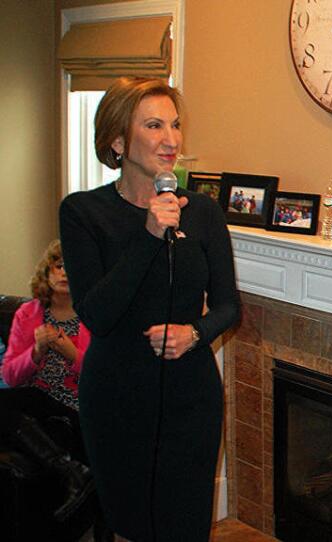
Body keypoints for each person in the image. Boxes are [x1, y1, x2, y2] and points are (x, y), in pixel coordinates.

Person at [59, 77, 241, 541]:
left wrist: (195, 334)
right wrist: (148, 235)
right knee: (130, 529)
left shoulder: (202, 212)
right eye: (155, 125)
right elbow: (97, 315)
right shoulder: (83, 213)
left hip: (191, 400)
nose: (172, 139)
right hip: (118, 400)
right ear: (118, 140)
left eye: (176, 125)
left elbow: (228, 306)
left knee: (187, 528)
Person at [0, 239, 94, 521]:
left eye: (71, 267)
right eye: (58, 266)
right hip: (38, 402)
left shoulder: (93, 315)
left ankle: (74, 472)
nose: (64, 273)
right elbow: (10, 376)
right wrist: (36, 352)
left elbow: (106, 378)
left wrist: (71, 353)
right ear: (48, 272)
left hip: (79, 406)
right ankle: (73, 471)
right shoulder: (28, 314)